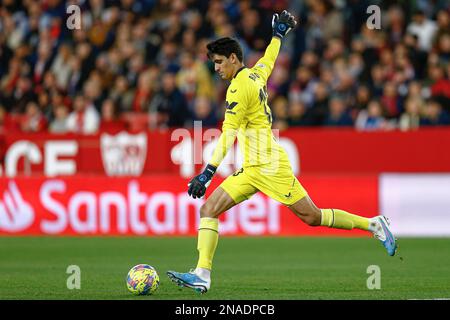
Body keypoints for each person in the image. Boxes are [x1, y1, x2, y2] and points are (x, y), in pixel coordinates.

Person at [167, 10, 397, 294]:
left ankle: (374, 224)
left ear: (233, 59)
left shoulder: (238, 89)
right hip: (252, 169)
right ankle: (202, 273)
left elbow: (227, 134)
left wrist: (207, 173)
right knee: (209, 209)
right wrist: (277, 35)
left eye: (218, 62)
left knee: (312, 217)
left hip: (270, 166)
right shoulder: (254, 75)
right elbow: (269, 60)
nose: (216, 69)